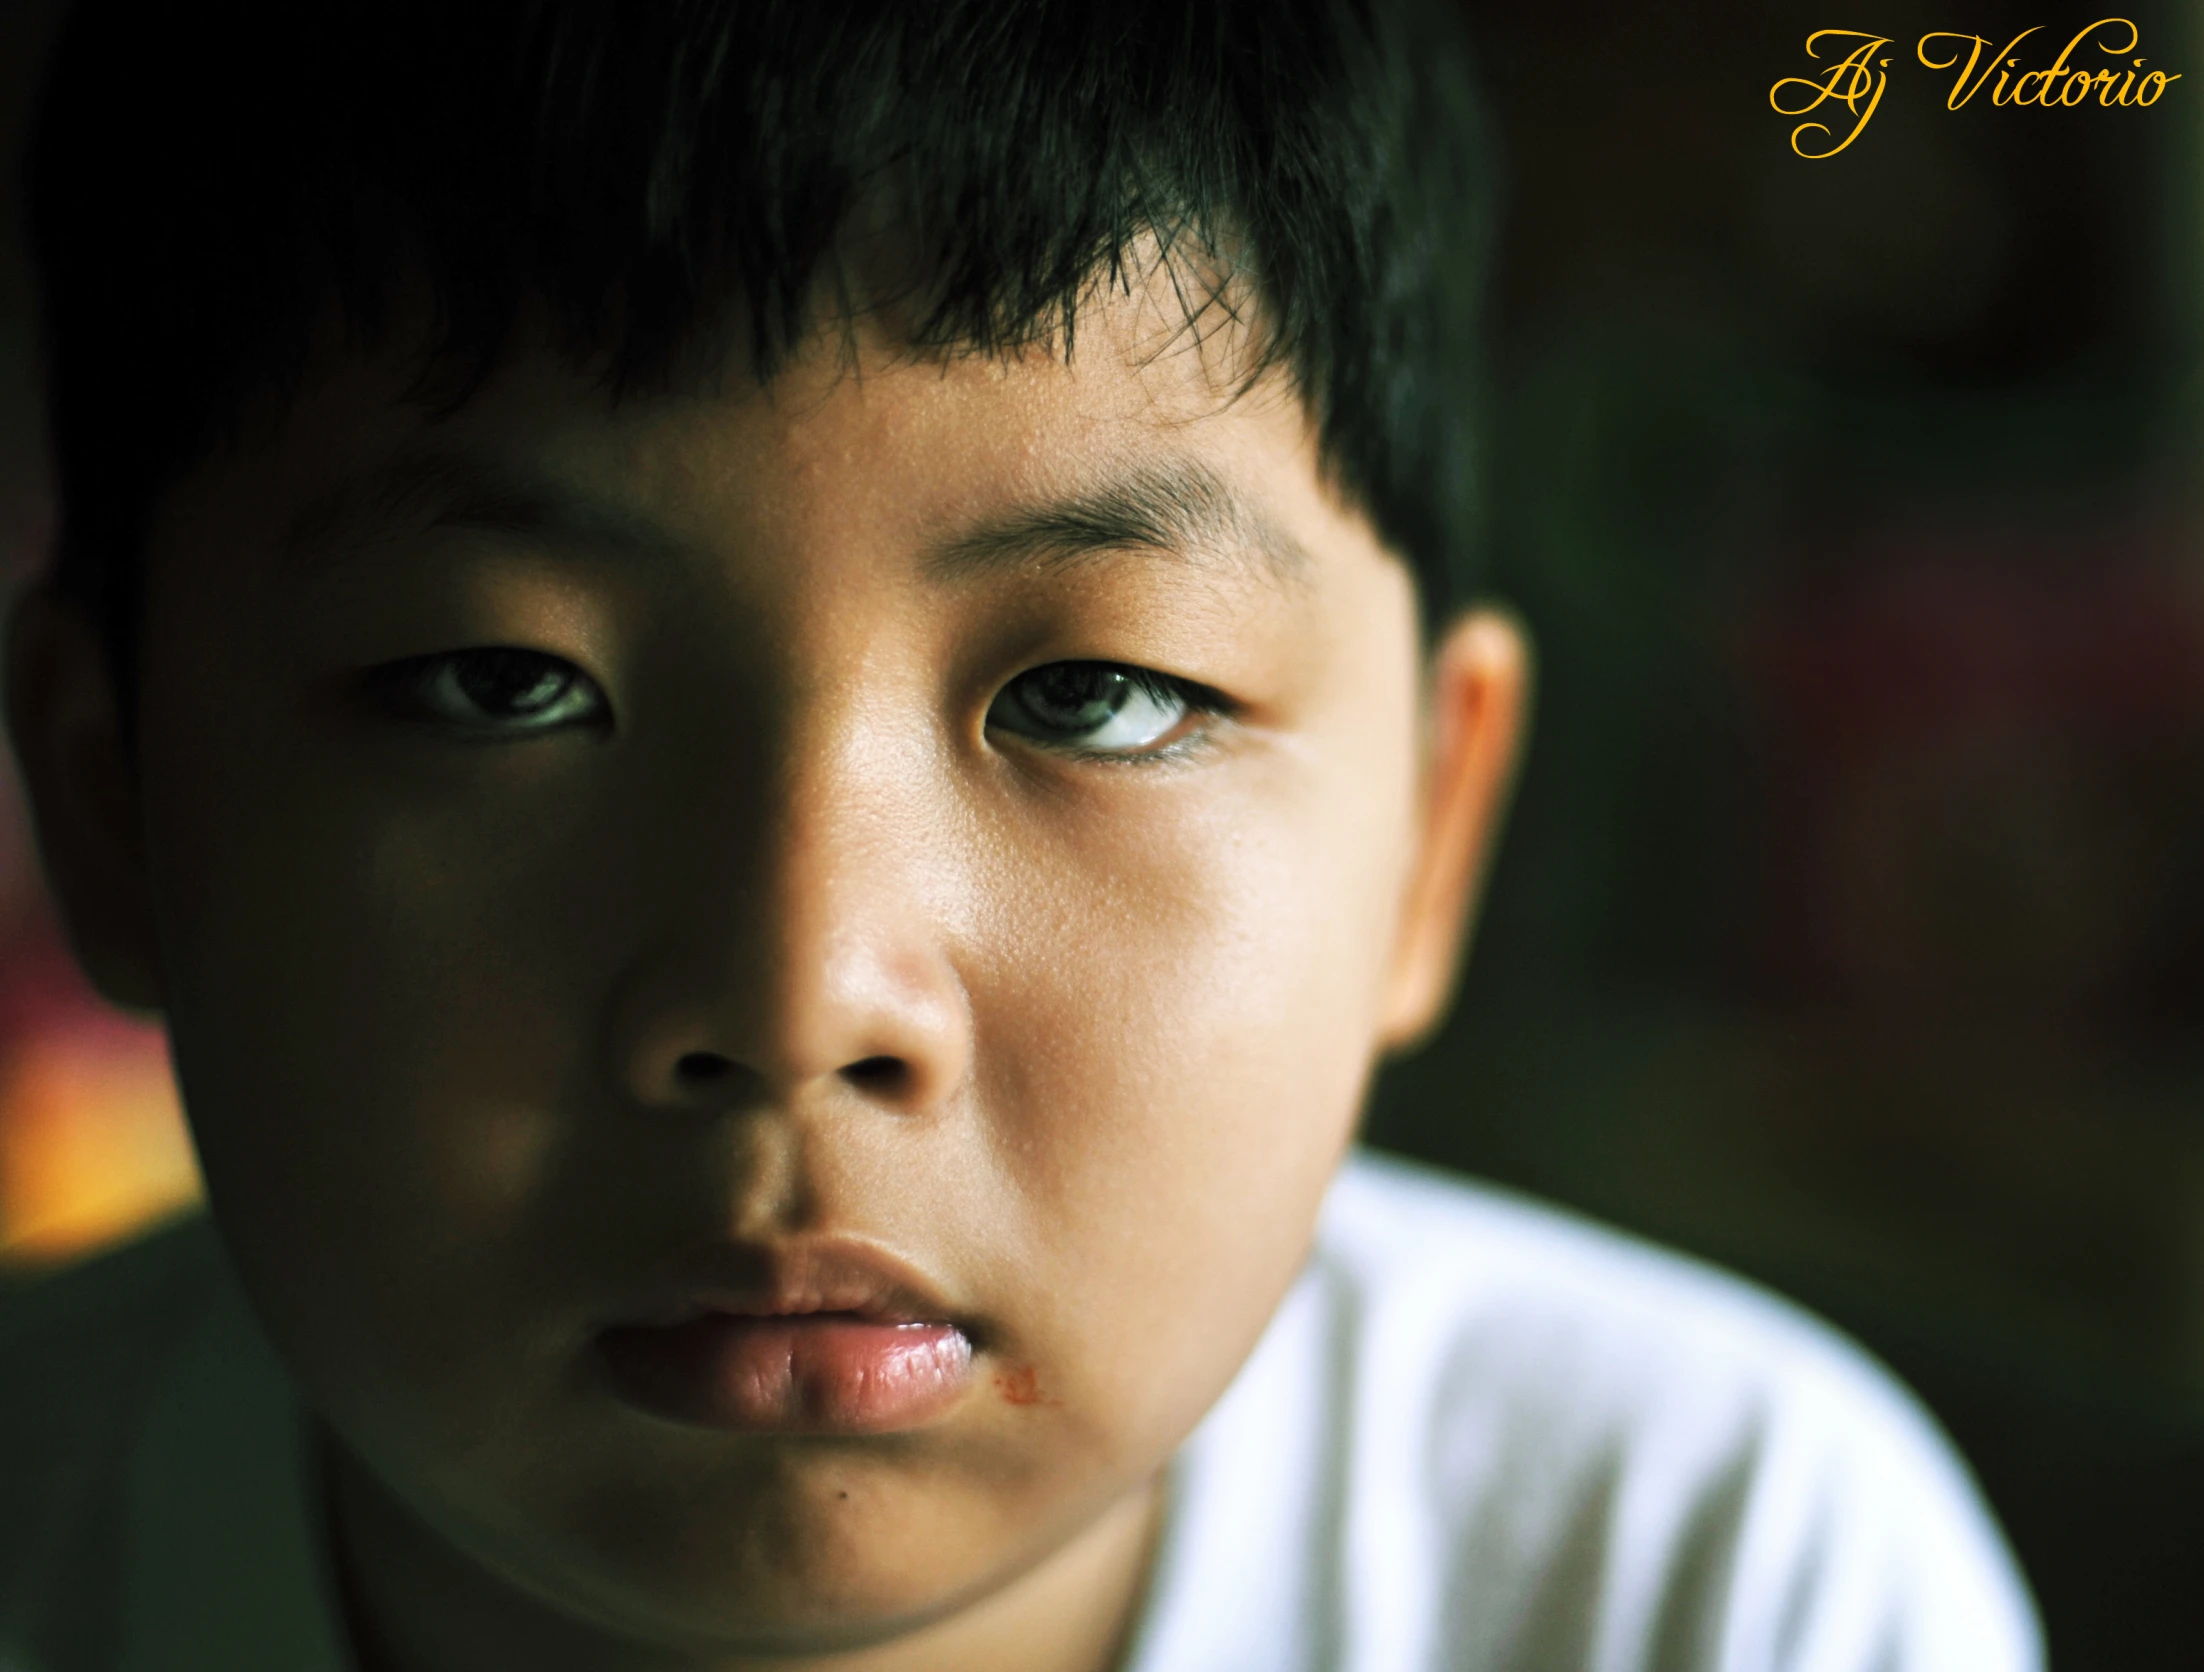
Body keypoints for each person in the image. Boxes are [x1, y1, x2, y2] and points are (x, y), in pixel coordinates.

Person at [0, 3, 2041, 1668]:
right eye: (497, 684)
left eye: (1099, 693)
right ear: (115, 798)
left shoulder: (1704, 1574)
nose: (802, 998)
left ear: (1430, 827)